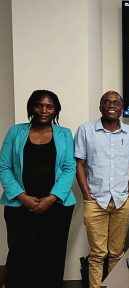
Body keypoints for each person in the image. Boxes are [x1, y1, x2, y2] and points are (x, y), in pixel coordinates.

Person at [0, 90, 76, 288]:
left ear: (56, 110)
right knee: (20, 255)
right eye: (39, 105)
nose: (44, 110)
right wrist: (21, 197)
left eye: (49, 106)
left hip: (57, 207)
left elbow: (70, 168)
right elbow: (4, 167)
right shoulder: (15, 132)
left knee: (52, 256)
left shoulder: (64, 134)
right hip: (19, 207)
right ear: (31, 108)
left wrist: (51, 198)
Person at [75, 91, 129, 288]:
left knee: (116, 252)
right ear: (100, 107)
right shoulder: (86, 130)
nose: (111, 105)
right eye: (107, 102)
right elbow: (80, 164)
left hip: (122, 200)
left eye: (116, 102)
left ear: (122, 107)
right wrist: (87, 196)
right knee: (97, 254)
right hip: (95, 200)